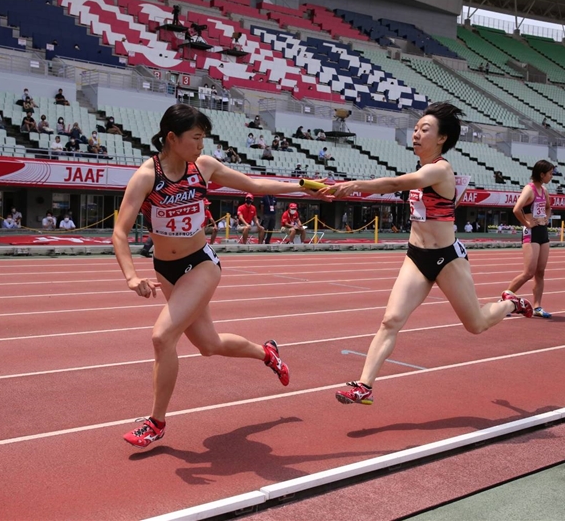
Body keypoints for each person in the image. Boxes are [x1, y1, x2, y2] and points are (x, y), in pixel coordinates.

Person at [112, 103, 323, 448]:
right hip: (165, 270)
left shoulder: (204, 167)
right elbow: (120, 233)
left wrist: (301, 186)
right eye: (195, 138)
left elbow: (254, 184)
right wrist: (131, 276)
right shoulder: (148, 176)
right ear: (171, 138)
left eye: (203, 138)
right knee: (208, 345)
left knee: (162, 336)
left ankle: (156, 422)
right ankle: (267, 353)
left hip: (201, 264)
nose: (200, 145)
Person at [321, 102, 533, 406]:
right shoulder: (423, 169)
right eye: (416, 129)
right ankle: (364, 385)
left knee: (476, 325)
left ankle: (509, 304)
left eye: (425, 130)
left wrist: (355, 186)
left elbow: (396, 183)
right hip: (416, 257)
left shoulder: (440, 169)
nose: (417, 134)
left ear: (442, 138)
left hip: (447, 258)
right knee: (390, 320)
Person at [503, 161, 554, 319]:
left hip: (542, 232)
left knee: (540, 272)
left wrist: (546, 218)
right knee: (528, 272)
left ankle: (537, 306)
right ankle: (504, 300)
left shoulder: (543, 190)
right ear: (541, 174)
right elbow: (516, 209)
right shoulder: (529, 189)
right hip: (531, 233)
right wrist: (527, 223)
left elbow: (548, 207)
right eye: (550, 174)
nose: (551, 177)